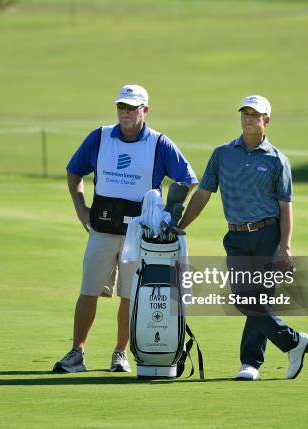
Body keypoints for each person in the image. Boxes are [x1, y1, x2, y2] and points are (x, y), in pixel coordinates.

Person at [53, 84, 197, 373]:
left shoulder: (159, 143)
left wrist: (168, 215)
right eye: (122, 107)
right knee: (89, 290)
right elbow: (74, 171)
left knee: (130, 295)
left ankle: (120, 353)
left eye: (132, 108)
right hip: (103, 228)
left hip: (139, 234)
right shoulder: (100, 137)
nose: (126, 113)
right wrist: (81, 209)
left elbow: (188, 179)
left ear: (145, 110)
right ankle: (76, 353)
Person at [178, 95, 308, 380]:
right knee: (243, 298)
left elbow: (285, 207)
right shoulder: (222, 153)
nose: (249, 118)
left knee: (259, 299)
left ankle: (250, 363)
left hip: (268, 235)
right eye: (245, 113)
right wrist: (181, 225)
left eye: (255, 114)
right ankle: (293, 342)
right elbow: (203, 193)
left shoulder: (277, 160)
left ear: (267, 120)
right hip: (237, 236)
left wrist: (285, 246)